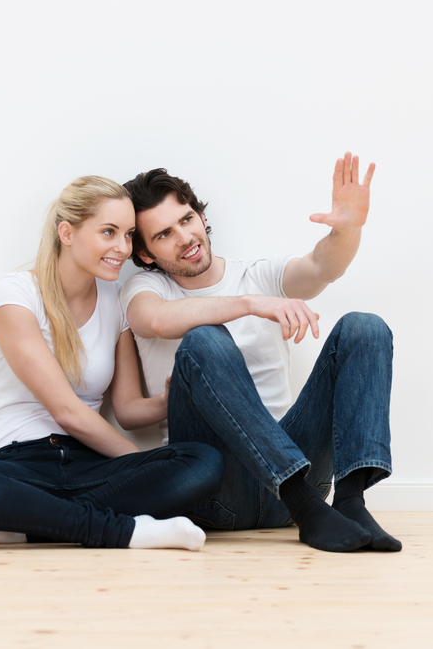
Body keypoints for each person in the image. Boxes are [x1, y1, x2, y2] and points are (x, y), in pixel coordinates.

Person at [0, 176, 224, 550]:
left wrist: (170, 403)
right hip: (18, 465)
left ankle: (21, 524)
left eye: (128, 234)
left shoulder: (116, 300)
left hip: (89, 466)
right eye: (108, 232)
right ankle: (125, 532)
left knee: (203, 461)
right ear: (66, 232)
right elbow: (66, 411)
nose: (121, 248)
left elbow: (127, 408)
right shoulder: (15, 295)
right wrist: (144, 465)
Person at [120, 153, 399, 553]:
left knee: (365, 327)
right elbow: (157, 321)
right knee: (205, 341)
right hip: (214, 492)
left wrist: (347, 231)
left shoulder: (258, 273)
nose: (184, 237)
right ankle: (304, 505)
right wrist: (251, 304)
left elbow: (322, 267)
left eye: (186, 220)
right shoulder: (144, 289)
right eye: (164, 234)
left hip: (301, 478)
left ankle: (351, 502)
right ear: (146, 254)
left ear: (199, 216)